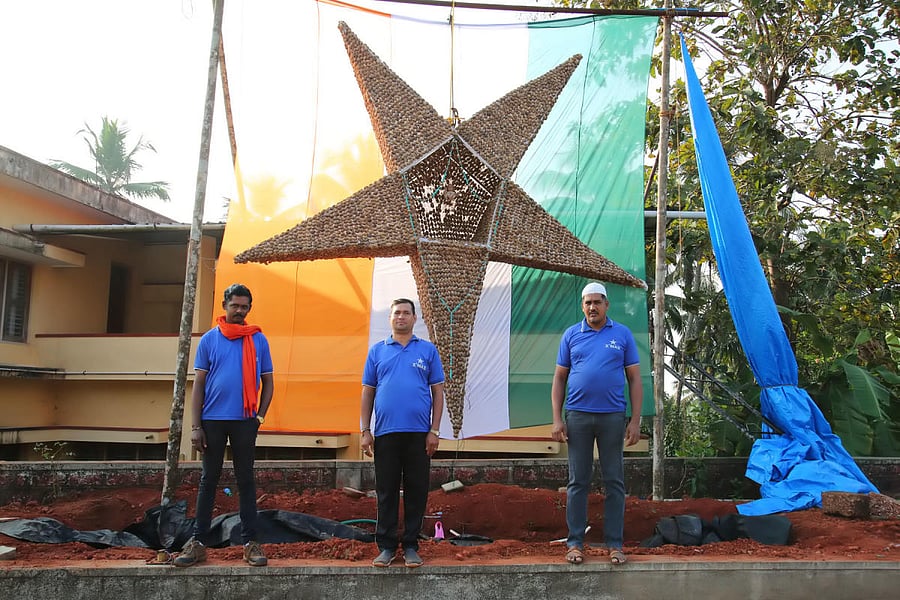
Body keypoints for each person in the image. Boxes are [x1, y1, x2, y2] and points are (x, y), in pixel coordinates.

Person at [174, 283, 274, 568]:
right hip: (212, 421)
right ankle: (198, 543)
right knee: (208, 480)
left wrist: (260, 417)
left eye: (244, 307)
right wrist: (196, 426)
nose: (240, 311)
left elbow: (268, 382)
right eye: (235, 306)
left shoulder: (258, 340)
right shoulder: (209, 340)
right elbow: (199, 385)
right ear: (224, 306)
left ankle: (251, 543)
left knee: (246, 480)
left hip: (245, 421)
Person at [551, 282, 642, 566]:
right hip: (577, 416)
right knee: (578, 481)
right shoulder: (571, 335)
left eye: (597, 302)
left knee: (614, 481)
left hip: (613, 417)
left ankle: (615, 544)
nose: (592, 307)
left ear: (606, 305)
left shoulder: (622, 334)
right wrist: (557, 419)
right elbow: (559, 379)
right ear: (582, 306)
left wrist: (635, 421)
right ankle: (575, 543)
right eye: (587, 303)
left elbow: (635, 380)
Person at [360, 298, 445, 568]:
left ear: (414, 318)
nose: (401, 317)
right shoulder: (377, 352)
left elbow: (438, 392)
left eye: (406, 313)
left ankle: (410, 545)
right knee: (386, 491)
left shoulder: (427, 351)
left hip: (419, 435)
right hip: (385, 433)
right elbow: (367, 392)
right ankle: (386, 546)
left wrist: (434, 430)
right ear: (390, 319)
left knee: (416, 490)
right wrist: (365, 430)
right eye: (396, 313)